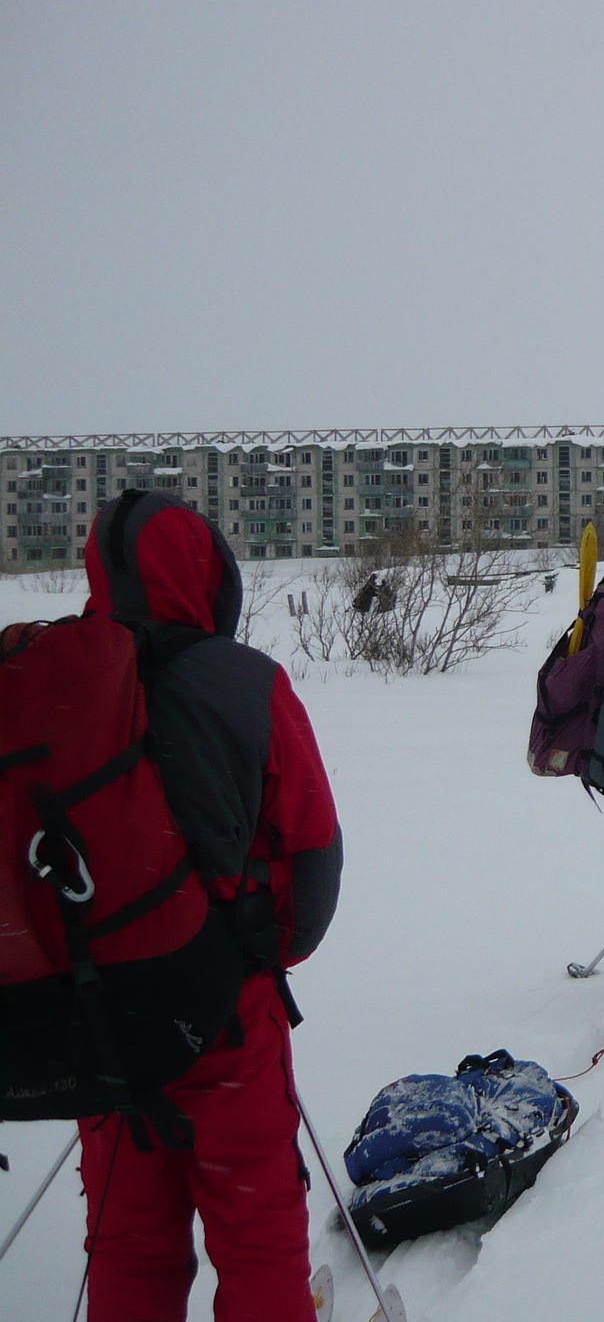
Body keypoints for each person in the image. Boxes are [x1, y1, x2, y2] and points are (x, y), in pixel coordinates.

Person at [76, 490, 343, 1322]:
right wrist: (269, 949)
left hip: (96, 1021)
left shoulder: (54, 683)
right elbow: (312, 853)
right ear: (208, 575)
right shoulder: (245, 683)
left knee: (127, 1238)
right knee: (256, 1229)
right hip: (224, 1012)